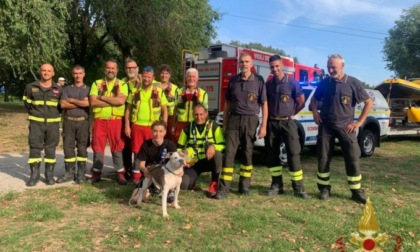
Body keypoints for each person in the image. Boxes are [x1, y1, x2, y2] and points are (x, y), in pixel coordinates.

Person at [310, 54, 373, 204]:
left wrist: (358, 123)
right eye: (329, 67)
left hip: (346, 127)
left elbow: (368, 103)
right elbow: (313, 99)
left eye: (334, 67)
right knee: (323, 158)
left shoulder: (353, 83)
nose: (331, 70)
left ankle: (356, 191)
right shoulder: (325, 83)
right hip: (326, 126)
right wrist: (314, 112)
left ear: (342, 66)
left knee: (352, 158)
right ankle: (324, 188)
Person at [215, 53, 268, 199]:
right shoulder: (233, 81)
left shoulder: (259, 80)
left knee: (247, 153)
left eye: (247, 61)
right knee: (230, 154)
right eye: (242, 62)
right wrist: (225, 124)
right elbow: (227, 104)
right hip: (234, 119)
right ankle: (224, 188)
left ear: (251, 64)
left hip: (251, 120)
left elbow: (264, 104)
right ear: (239, 64)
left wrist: (264, 126)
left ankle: (244, 186)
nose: (244, 64)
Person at [264, 55, 308, 199]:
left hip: (288, 123)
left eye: (277, 66)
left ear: (282, 65)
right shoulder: (268, 84)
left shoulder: (292, 83)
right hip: (272, 123)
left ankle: (298, 188)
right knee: (272, 154)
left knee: (293, 153)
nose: (274, 69)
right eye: (272, 67)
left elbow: (301, 101)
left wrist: (291, 114)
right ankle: (277, 185)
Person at [125, 66, 168, 184]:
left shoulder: (158, 92)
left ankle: (151, 175)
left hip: (152, 127)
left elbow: (165, 110)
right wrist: (127, 125)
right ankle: (136, 176)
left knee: (152, 151)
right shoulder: (135, 91)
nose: (146, 79)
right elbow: (128, 110)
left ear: (153, 78)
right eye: (144, 76)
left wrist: (164, 127)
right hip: (137, 125)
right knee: (137, 151)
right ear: (141, 77)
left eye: (149, 77)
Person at [89, 59, 129, 185]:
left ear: (117, 70)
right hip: (100, 120)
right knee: (98, 146)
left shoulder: (122, 84)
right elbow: (93, 102)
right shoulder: (97, 83)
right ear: (104, 69)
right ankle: (96, 172)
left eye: (113, 68)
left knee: (117, 146)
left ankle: (120, 173)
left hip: (115, 120)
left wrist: (101, 97)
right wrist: (112, 100)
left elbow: (120, 101)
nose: (110, 70)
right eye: (108, 68)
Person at [23, 63, 62, 186]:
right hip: (36, 124)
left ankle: (49, 175)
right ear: (40, 72)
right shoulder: (30, 87)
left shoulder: (59, 89)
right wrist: (37, 115)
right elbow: (27, 104)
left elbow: (61, 107)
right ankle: (34, 175)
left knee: (51, 148)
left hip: (53, 125)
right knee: (35, 148)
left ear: (53, 73)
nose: (46, 73)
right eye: (43, 70)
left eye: (49, 71)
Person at [177, 104, 225, 196]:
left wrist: (213, 146)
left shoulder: (214, 126)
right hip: (194, 163)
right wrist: (184, 161)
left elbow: (222, 145)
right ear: (192, 114)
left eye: (201, 114)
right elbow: (179, 148)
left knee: (218, 154)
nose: (199, 117)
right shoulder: (187, 128)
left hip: (209, 160)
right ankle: (192, 182)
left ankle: (214, 182)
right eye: (196, 114)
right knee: (183, 184)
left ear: (206, 114)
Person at [56, 65, 90, 184]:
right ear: (72, 74)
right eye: (75, 73)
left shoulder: (88, 89)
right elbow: (63, 105)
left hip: (83, 122)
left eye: (80, 73)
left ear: (84, 74)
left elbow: (88, 104)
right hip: (68, 121)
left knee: (82, 148)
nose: (78, 75)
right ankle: (69, 173)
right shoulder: (66, 89)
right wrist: (82, 103)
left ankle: (81, 175)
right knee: (68, 147)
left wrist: (72, 100)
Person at [136, 120, 177, 203]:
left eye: (161, 131)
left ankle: (169, 191)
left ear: (165, 132)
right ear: (151, 131)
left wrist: (180, 171)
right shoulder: (146, 145)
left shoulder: (170, 145)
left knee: (181, 181)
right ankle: (153, 190)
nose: (158, 134)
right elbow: (141, 165)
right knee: (135, 199)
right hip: (150, 175)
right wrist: (144, 170)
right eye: (155, 131)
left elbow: (176, 163)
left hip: (165, 176)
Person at [172, 68, 208, 142]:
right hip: (180, 125)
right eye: (189, 76)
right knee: (179, 147)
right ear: (186, 78)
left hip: (195, 124)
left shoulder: (203, 93)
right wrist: (173, 126)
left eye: (193, 76)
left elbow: (206, 112)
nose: (191, 79)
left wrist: (206, 126)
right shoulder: (178, 92)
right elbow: (175, 109)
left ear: (197, 78)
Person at [121, 59, 142, 181]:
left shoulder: (143, 81)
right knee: (126, 145)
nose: (131, 70)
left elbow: (159, 85)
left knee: (138, 146)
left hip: (137, 119)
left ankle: (139, 169)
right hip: (123, 117)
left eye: (133, 67)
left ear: (137, 68)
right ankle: (127, 169)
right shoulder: (121, 82)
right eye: (128, 68)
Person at [155, 64, 178, 143]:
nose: (164, 75)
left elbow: (177, 105)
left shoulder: (175, 88)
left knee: (170, 138)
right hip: (158, 117)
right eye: (162, 73)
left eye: (166, 73)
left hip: (171, 117)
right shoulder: (155, 85)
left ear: (170, 75)